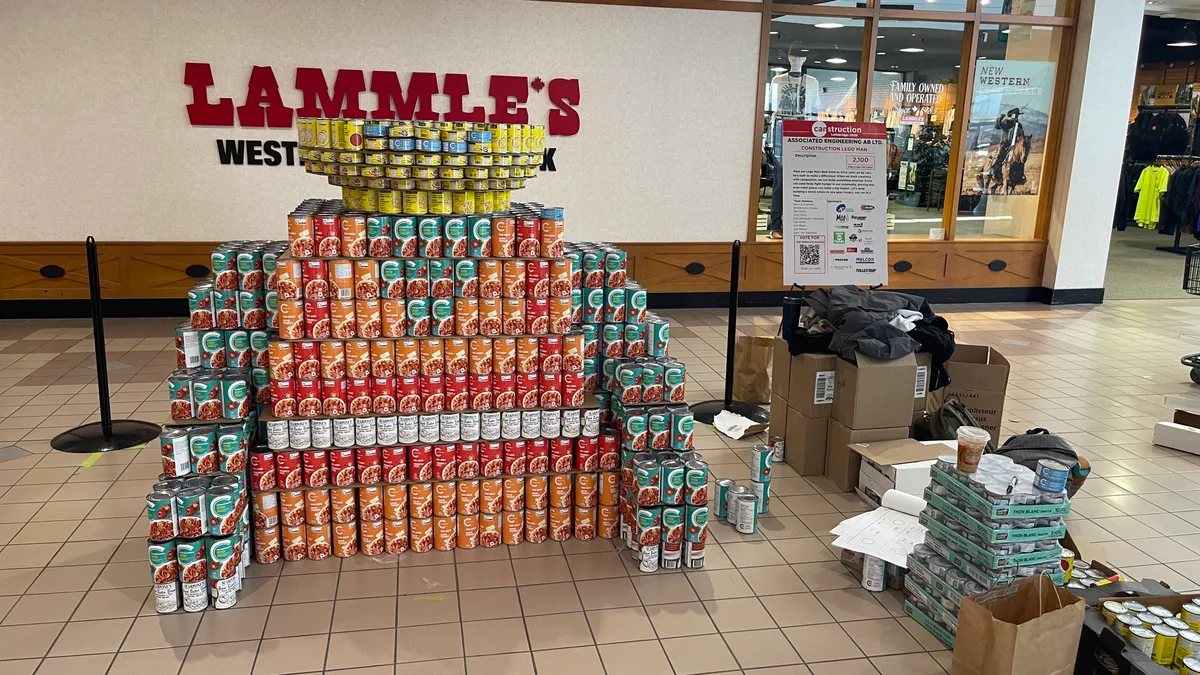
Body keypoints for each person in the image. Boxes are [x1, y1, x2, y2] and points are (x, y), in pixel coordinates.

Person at [988, 107, 1024, 185]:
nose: (1017, 116)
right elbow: (998, 126)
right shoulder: (1006, 122)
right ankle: (993, 170)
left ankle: (1020, 175)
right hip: (1005, 143)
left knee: (1021, 158)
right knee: (1000, 155)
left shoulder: (1019, 125)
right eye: (1015, 115)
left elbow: (1021, 135)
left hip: (1015, 145)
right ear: (1012, 115)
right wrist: (1000, 118)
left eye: (1018, 115)